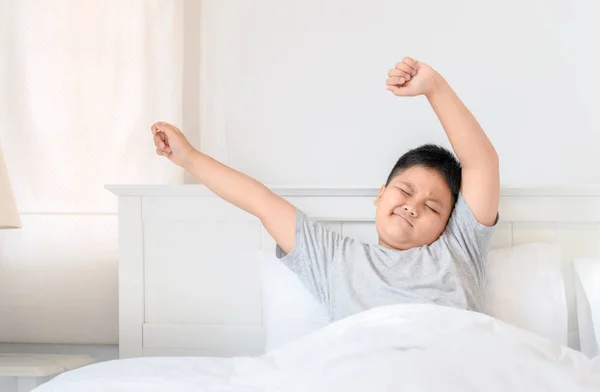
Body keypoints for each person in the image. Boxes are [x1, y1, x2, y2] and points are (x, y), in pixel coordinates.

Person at [151, 56, 500, 322]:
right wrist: (190, 158)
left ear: (449, 223)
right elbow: (261, 202)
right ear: (380, 195)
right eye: (405, 191)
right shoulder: (335, 258)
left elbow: (481, 164)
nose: (412, 206)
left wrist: (434, 87)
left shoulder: (459, 250)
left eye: (433, 207)